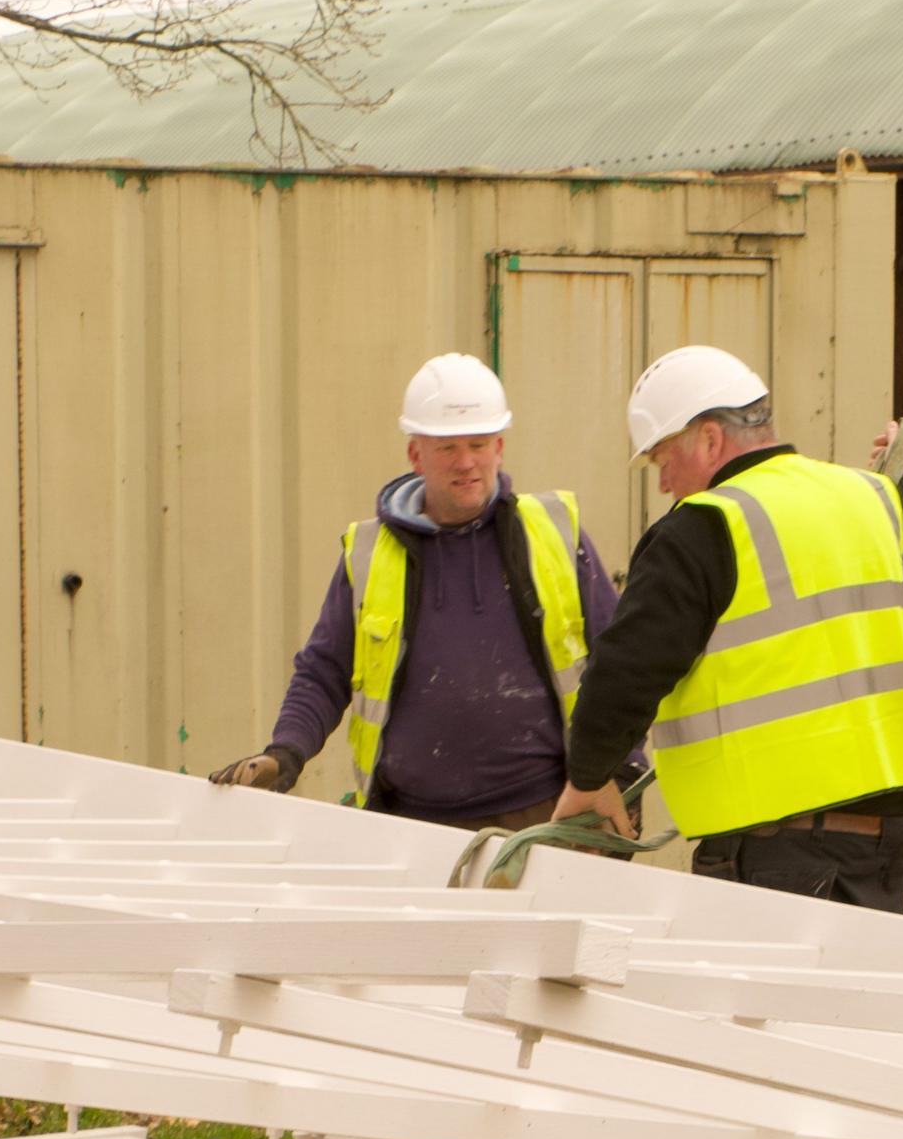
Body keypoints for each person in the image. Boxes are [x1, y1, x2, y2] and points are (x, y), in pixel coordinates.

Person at [548, 346, 903, 912]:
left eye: (664, 459)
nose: (664, 484)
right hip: (879, 845)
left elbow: (626, 672)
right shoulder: (874, 498)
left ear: (710, 440)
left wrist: (588, 778)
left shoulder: (703, 527)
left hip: (770, 849)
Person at [214, 354, 618, 831]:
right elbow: (323, 672)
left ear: (500, 448)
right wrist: (286, 752)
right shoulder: (369, 554)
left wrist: (618, 771)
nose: (466, 462)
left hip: (544, 816)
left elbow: (618, 663)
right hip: (410, 826)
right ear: (415, 455)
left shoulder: (552, 534)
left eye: (478, 444)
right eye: (447, 448)